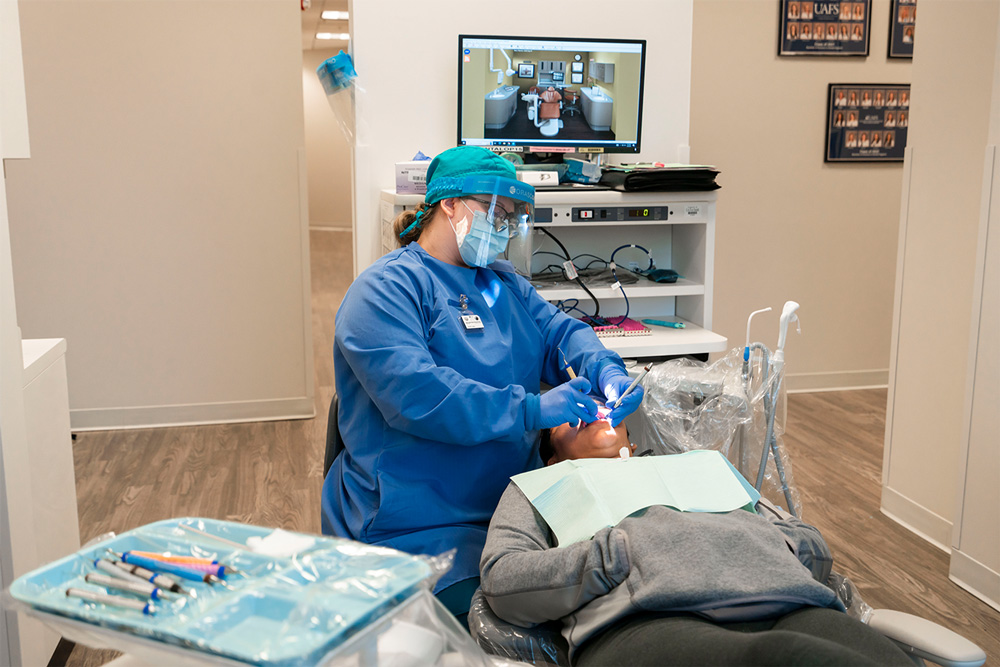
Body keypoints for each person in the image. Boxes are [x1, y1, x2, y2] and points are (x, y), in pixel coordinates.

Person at [322, 145, 644, 622]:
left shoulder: (501, 283)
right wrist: (531, 411)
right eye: (495, 211)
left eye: (512, 217)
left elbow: (559, 332)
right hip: (421, 523)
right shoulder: (384, 291)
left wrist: (603, 367)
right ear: (449, 204)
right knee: (521, 626)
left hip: (514, 510)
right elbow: (420, 396)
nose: (504, 226)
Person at [479, 422, 914, 667]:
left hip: (787, 599)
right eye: (568, 416)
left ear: (633, 441)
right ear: (552, 457)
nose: (591, 409)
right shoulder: (542, 485)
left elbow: (812, 545)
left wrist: (774, 542)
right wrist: (613, 556)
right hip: (645, 620)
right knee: (791, 659)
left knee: (882, 658)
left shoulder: (700, 466)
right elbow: (502, 579)